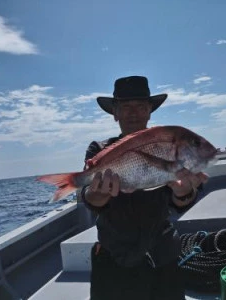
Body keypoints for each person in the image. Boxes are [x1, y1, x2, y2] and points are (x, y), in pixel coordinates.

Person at [80, 76, 207, 300]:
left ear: (150, 111)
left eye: (140, 106)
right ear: (115, 113)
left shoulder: (166, 147)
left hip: (162, 255)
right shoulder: (99, 149)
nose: (133, 113)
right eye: (126, 107)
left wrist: (183, 192)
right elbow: (91, 200)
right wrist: (96, 194)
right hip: (114, 258)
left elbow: (179, 201)